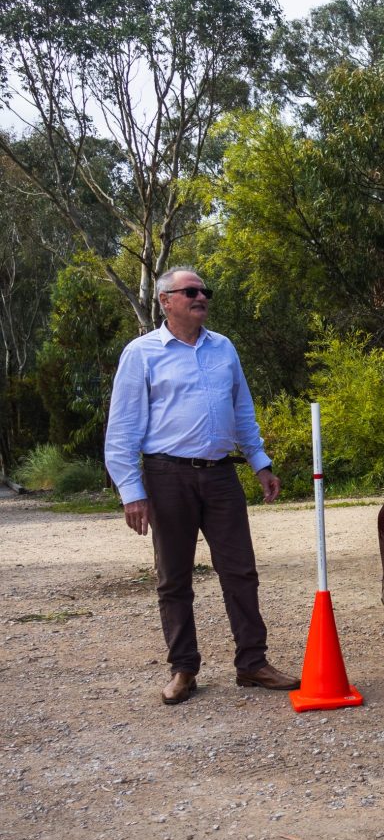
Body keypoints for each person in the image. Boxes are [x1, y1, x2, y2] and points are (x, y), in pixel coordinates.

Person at [104, 266, 300, 705]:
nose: (200, 297)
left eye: (204, 291)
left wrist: (260, 464)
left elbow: (242, 411)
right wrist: (131, 491)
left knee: (240, 571)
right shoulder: (142, 353)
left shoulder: (223, 348)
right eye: (190, 291)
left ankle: (252, 663)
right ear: (165, 301)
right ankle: (184, 669)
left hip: (220, 474)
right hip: (166, 476)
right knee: (174, 577)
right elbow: (122, 429)